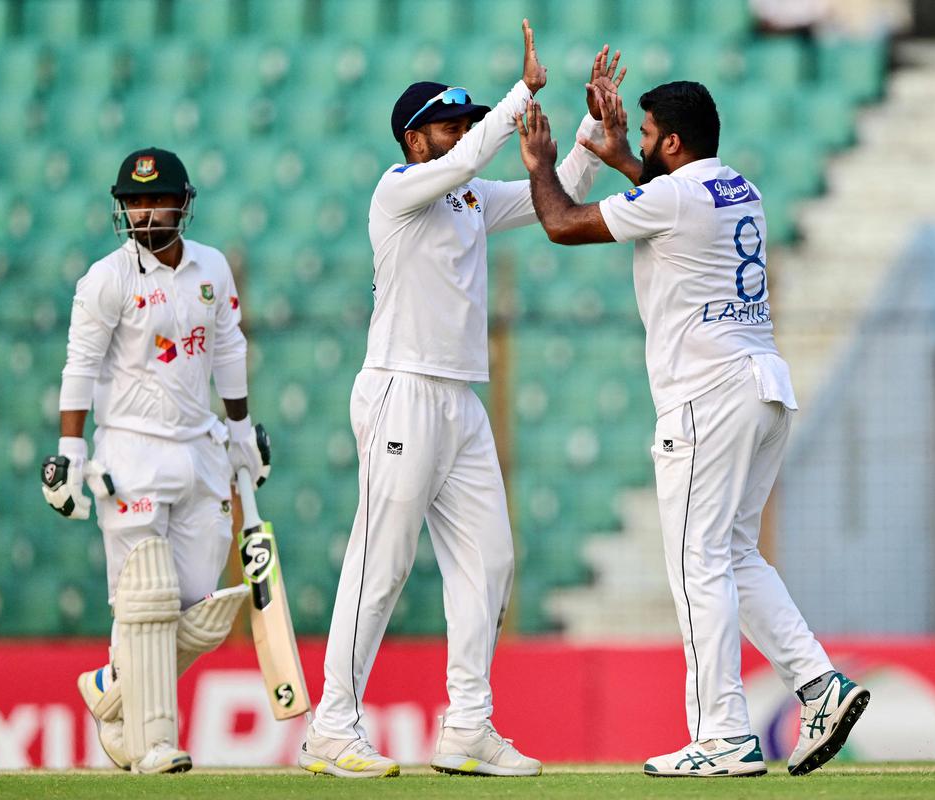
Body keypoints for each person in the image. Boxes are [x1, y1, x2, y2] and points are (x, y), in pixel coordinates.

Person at [301, 21, 629, 779]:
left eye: (465, 124)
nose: (464, 135)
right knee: (381, 564)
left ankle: (467, 727)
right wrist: (521, 96)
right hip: (400, 391)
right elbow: (474, 157)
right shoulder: (399, 192)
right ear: (414, 139)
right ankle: (332, 726)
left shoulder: (472, 196)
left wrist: (587, 128)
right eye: (450, 125)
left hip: (459, 401)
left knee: (490, 561)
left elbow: (566, 190)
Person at [515, 82, 870, 777]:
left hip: (705, 397)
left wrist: (540, 164)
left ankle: (724, 734)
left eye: (646, 134)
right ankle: (820, 685)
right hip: (762, 385)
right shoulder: (740, 188)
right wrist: (623, 159)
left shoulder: (672, 198)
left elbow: (561, 223)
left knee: (696, 565)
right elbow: (667, 201)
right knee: (734, 556)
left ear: (672, 142)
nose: (639, 142)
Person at [41, 147, 270, 774]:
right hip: (131, 454)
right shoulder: (106, 278)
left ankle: (112, 688)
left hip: (201, 451)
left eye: (155, 199)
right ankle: (153, 743)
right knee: (147, 600)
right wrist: (69, 450)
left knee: (199, 613)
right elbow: (79, 366)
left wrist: (242, 432)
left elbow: (228, 347)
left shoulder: (212, 269)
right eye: (133, 201)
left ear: (182, 202)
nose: (143, 211)